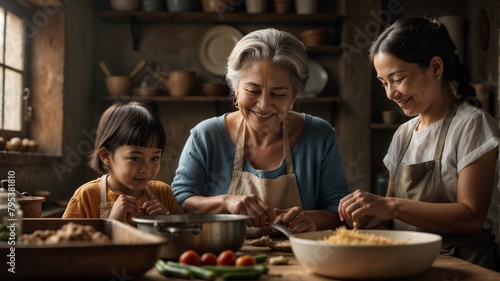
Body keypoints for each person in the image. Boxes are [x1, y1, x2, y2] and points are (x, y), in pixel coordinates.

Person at [338, 17, 500, 271]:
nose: (390, 93)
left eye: (398, 79)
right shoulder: (403, 134)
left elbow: (471, 218)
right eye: (384, 83)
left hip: (463, 266)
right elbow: (389, 217)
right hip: (409, 263)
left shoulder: (472, 125)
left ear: (436, 68)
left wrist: (390, 206)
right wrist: (357, 217)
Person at [171, 28, 350, 238]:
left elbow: (338, 210)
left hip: (300, 261)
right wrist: (225, 201)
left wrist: (311, 219)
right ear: (235, 88)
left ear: (294, 97)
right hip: (222, 259)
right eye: (253, 91)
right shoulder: (207, 135)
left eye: (278, 94)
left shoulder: (319, 136)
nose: (264, 105)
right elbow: (179, 202)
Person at [63, 99, 181, 224]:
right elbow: (66, 240)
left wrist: (168, 220)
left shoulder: (163, 193)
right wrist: (112, 222)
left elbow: (184, 240)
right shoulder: (87, 197)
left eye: (154, 158)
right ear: (106, 156)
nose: (146, 169)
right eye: (135, 158)